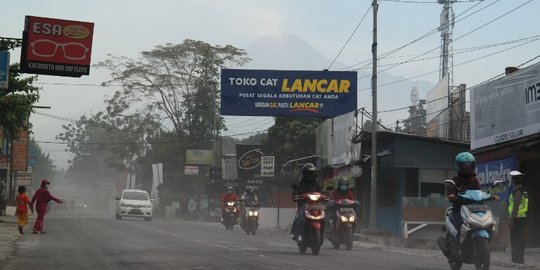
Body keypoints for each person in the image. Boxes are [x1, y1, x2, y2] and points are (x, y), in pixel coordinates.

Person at [446, 152, 482, 255]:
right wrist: (452, 195)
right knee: (459, 226)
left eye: (469, 164)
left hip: (474, 208)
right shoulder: (454, 180)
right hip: (459, 208)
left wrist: (489, 195)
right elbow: (450, 191)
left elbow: (480, 192)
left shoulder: (475, 180)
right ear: (459, 166)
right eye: (464, 165)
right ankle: (456, 247)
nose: (467, 167)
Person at [290, 163, 321, 240]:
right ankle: (295, 233)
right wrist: (296, 196)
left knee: (325, 216)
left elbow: (321, 192)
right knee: (299, 218)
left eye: (312, 173)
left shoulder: (317, 184)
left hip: (316, 206)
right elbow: (295, 193)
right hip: (303, 206)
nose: (310, 175)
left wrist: (325, 196)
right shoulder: (300, 183)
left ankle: (326, 231)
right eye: (308, 173)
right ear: (304, 174)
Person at [508, 171, 528, 266]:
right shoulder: (524, 191)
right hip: (522, 218)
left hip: (517, 219)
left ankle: (517, 261)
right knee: (519, 240)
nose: (511, 182)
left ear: (514, 181)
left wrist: (512, 220)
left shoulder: (518, 192)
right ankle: (518, 261)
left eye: (512, 180)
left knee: (516, 240)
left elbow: (515, 205)